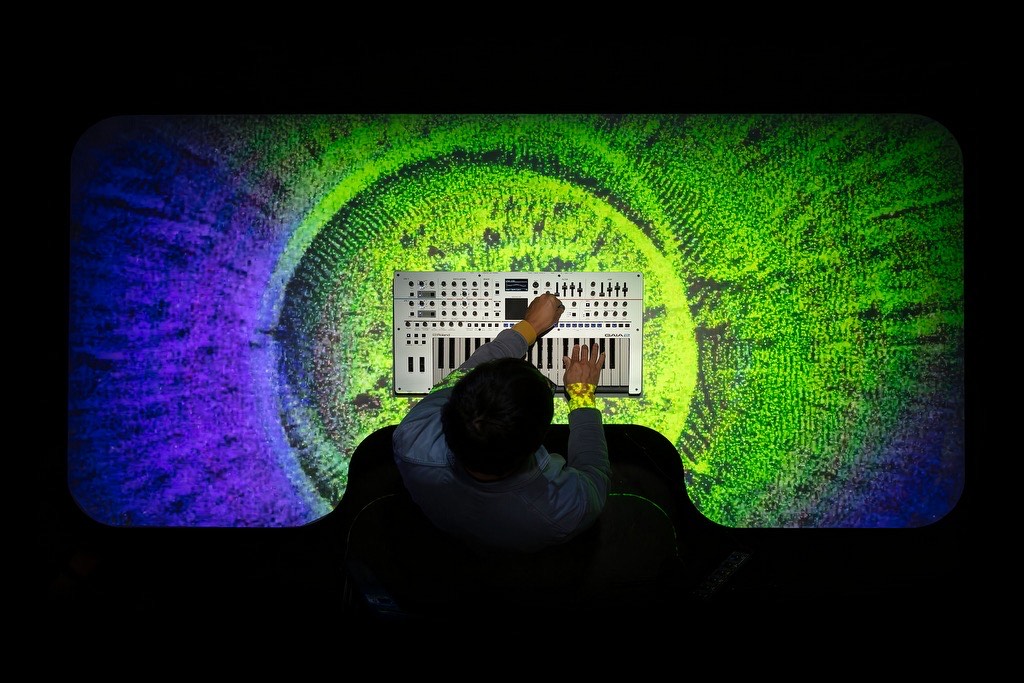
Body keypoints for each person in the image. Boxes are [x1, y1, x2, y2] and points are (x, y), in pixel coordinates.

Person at [391, 292, 610, 553]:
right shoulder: (563, 510)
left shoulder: (412, 439)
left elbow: (461, 377)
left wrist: (529, 327)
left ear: (449, 412)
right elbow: (594, 476)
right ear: (540, 441)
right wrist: (582, 396)